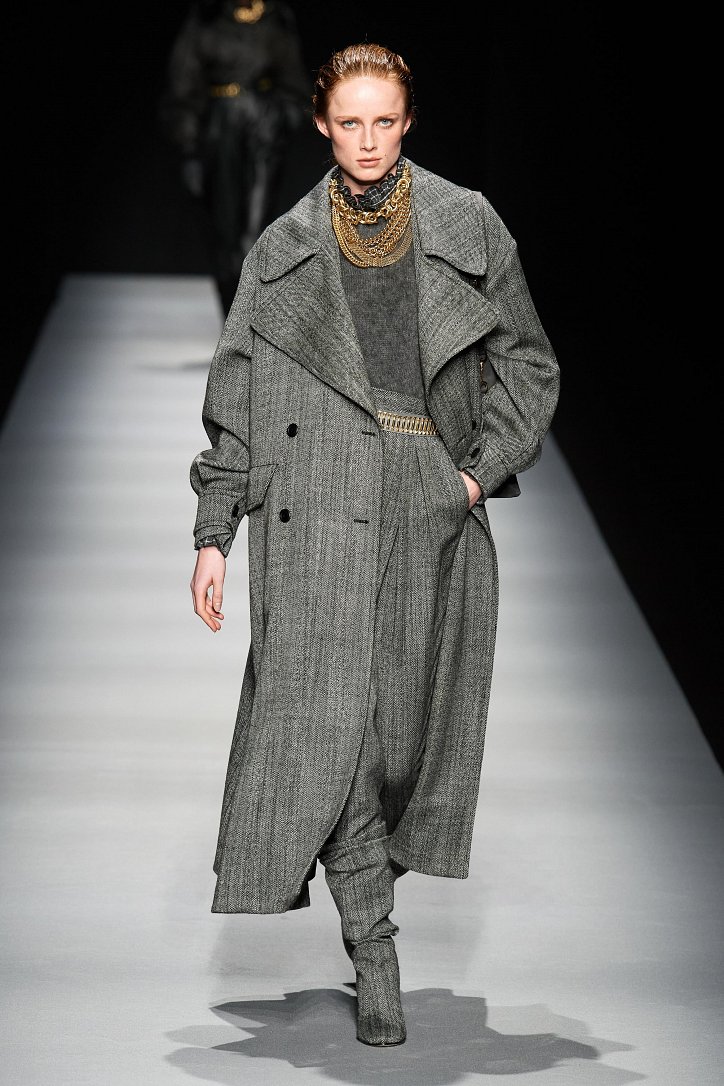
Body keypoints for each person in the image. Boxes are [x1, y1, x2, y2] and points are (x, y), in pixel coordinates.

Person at [189, 42, 559, 1046]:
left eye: (382, 121)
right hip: (310, 503)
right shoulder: (282, 250)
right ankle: (374, 944)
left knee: (403, 737)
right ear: (321, 123)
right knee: (334, 738)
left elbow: (530, 365)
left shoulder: (465, 223)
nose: (365, 141)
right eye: (348, 122)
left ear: (407, 121)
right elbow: (237, 397)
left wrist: (472, 476)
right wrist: (215, 531)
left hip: (423, 498)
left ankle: (367, 878)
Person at [158, 0, 309, 316]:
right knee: (224, 231)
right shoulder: (207, 18)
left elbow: (293, 79)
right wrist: (189, 150)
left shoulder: (275, 18)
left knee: (257, 229)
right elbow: (185, 82)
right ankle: (233, 319)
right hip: (219, 128)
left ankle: (248, 322)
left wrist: (283, 117)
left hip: (264, 127)